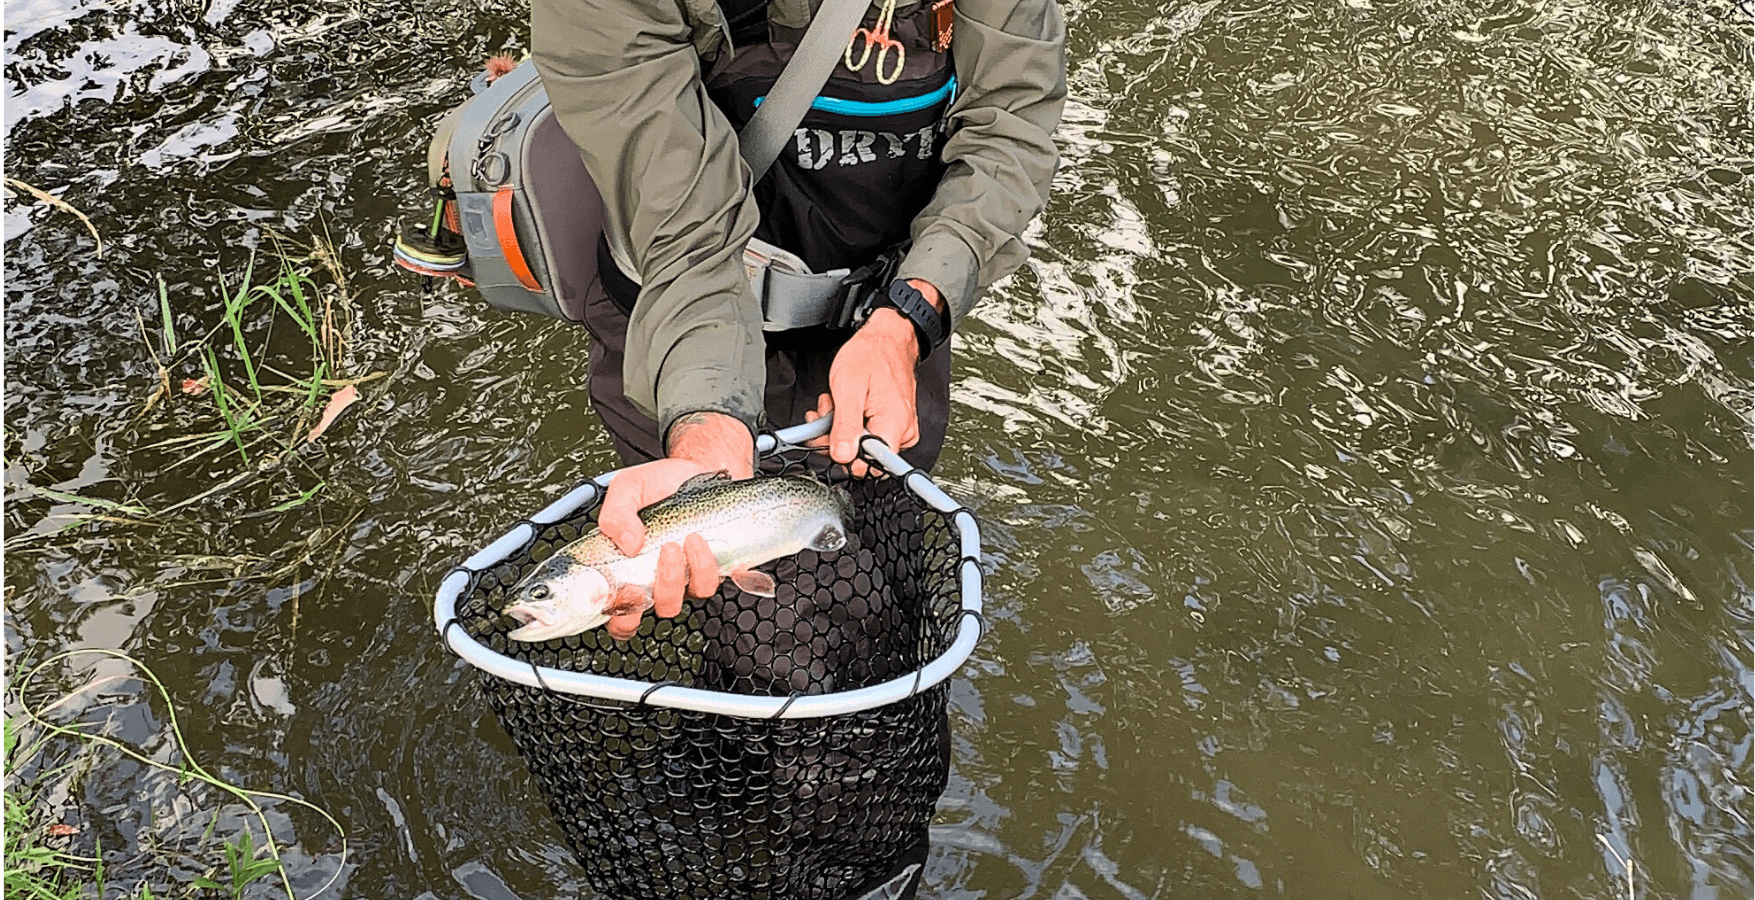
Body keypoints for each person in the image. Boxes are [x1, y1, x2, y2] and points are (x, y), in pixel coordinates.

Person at [531, 0, 1065, 640]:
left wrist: (908, 317)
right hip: (680, 325)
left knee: (870, 571)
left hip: (885, 320)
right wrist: (708, 431)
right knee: (761, 627)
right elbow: (682, 226)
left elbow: (1009, 127)